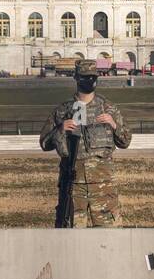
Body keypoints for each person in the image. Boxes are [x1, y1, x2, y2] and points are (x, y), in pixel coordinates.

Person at [39, 59, 131, 227]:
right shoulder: (64, 110)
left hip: (103, 186)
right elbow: (44, 143)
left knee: (108, 236)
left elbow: (125, 141)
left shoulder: (108, 108)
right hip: (74, 186)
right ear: (76, 78)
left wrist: (113, 124)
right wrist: (60, 129)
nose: (89, 81)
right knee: (72, 236)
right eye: (84, 77)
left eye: (92, 77)